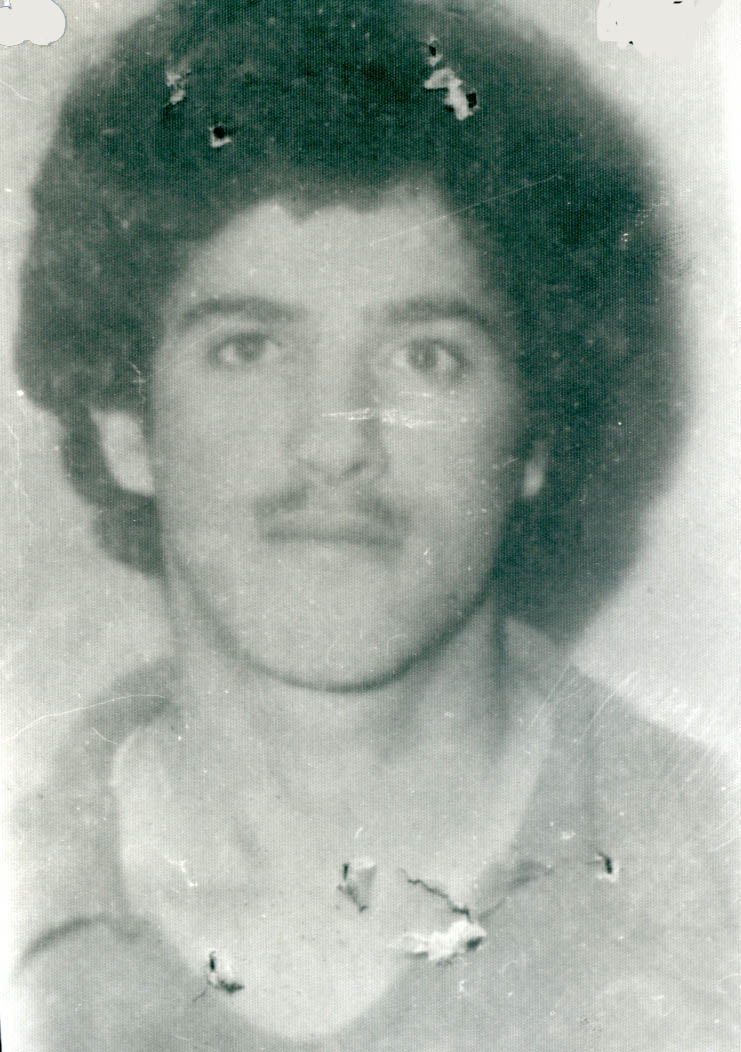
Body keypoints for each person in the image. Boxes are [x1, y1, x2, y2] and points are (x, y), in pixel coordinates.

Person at [5, 0, 738, 1048]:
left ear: (534, 436)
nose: (335, 441)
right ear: (126, 424)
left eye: (426, 355)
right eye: (248, 347)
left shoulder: (716, 885)